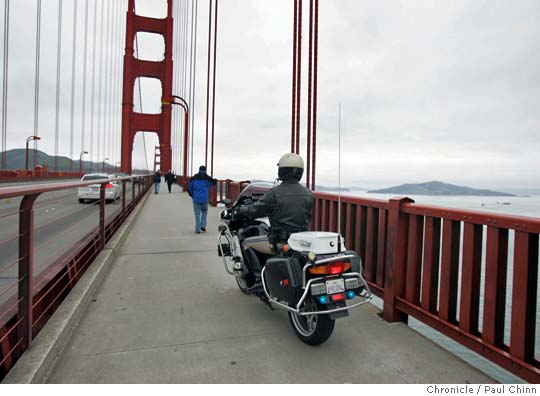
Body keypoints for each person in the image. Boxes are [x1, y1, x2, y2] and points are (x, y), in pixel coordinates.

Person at [238, 153, 313, 254]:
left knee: (245, 243)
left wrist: (241, 209)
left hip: (279, 242)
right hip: (301, 242)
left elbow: (256, 210)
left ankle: (259, 270)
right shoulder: (308, 194)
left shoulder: (274, 193)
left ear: (282, 171)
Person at [188, 165, 217, 234]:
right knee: (204, 212)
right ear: (205, 170)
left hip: (196, 198)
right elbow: (213, 183)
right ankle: (203, 226)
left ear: (199, 170)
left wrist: (192, 194)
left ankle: (197, 229)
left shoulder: (193, 178)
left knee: (197, 214)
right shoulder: (207, 178)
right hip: (205, 198)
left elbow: (189, 187)